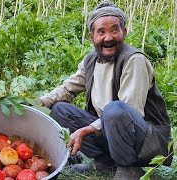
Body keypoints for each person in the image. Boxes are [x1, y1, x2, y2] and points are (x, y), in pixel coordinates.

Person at [40, 1, 172, 179]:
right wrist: (35, 103)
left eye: (114, 30)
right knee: (60, 110)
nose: (108, 38)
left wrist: (86, 130)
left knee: (114, 110)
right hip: (112, 128)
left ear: (124, 33)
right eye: (101, 32)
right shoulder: (91, 61)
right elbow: (66, 89)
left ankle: (129, 168)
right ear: (91, 36)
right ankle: (106, 161)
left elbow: (130, 109)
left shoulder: (134, 60)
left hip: (147, 141)